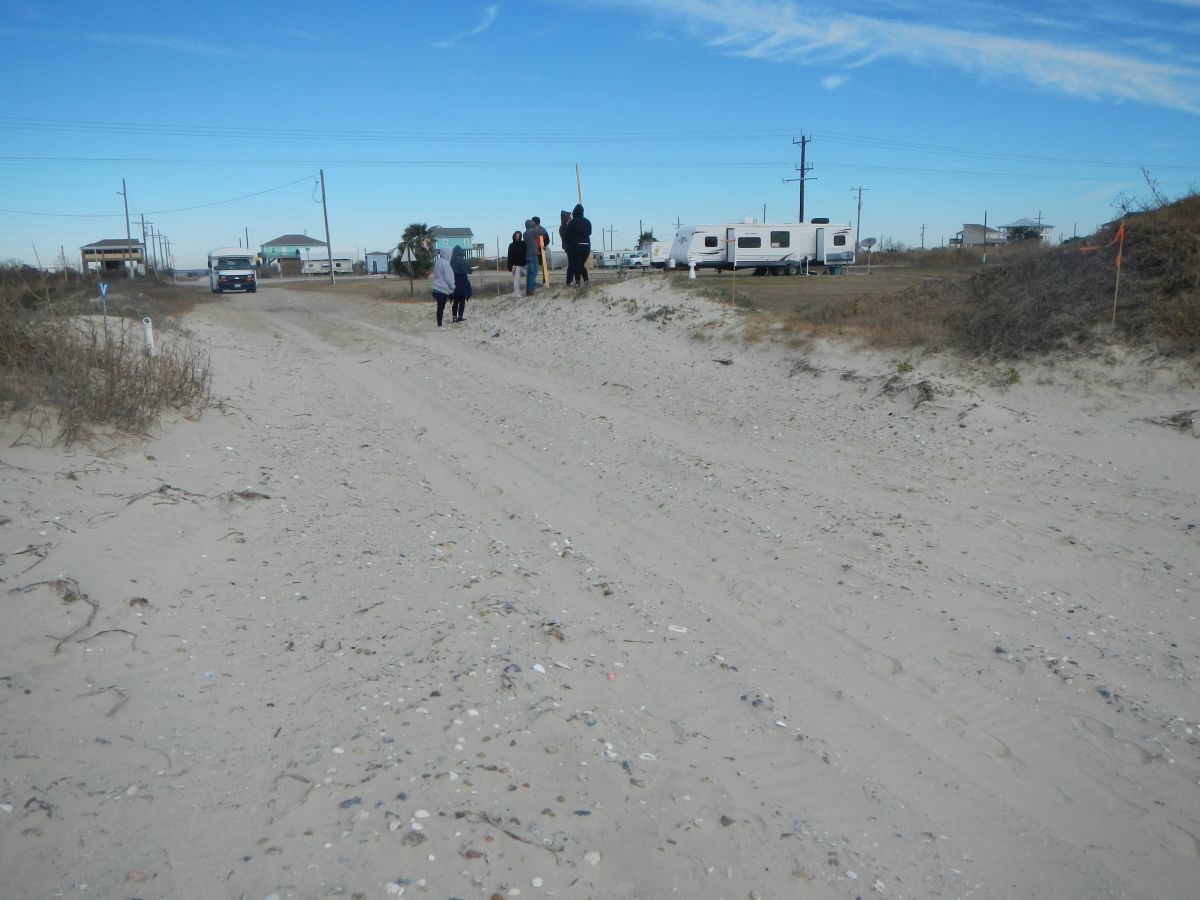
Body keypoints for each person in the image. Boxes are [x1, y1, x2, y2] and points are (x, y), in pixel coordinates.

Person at [564, 203, 593, 286]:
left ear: (575, 212)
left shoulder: (572, 222)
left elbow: (567, 235)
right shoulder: (587, 221)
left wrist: (568, 246)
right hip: (587, 246)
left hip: (576, 246)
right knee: (580, 265)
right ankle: (586, 281)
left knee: (577, 265)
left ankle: (578, 282)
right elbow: (589, 232)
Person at [430, 247, 454, 327]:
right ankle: (439, 325)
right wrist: (452, 287)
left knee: (439, 308)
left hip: (435, 288)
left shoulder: (438, 262)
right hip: (442, 290)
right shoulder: (446, 264)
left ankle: (439, 324)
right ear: (448, 254)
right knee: (441, 308)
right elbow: (448, 278)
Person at [449, 245, 472, 322]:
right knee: (462, 300)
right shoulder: (461, 260)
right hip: (462, 282)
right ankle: (460, 317)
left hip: (453, 282)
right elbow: (468, 270)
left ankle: (454, 317)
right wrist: (471, 269)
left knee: (455, 300)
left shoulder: (451, 260)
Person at [522, 219, 541, 296]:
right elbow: (542, 232)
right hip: (533, 256)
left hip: (528, 255)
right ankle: (531, 290)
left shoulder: (525, 233)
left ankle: (528, 290)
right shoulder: (532, 232)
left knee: (529, 274)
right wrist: (537, 225)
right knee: (533, 274)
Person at [506, 230, 526, 299]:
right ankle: (517, 293)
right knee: (516, 280)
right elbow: (509, 256)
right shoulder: (511, 245)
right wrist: (509, 267)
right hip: (515, 266)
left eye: (519, 236)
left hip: (523, 265)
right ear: (514, 236)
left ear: (520, 236)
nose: (517, 237)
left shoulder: (523, 244)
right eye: (516, 236)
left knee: (529, 275)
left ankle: (528, 290)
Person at [559, 210, 571, 283]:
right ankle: (569, 281)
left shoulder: (567, 226)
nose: (570, 218)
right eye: (569, 217)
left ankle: (571, 281)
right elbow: (564, 236)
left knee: (572, 264)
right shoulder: (563, 227)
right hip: (568, 247)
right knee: (571, 264)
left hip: (570, 247)